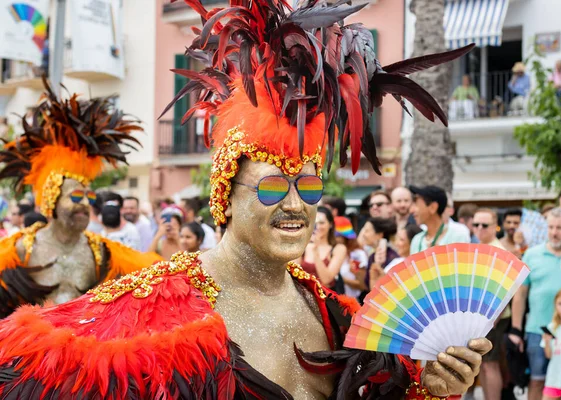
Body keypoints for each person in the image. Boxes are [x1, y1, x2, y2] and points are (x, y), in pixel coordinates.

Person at [0, 2, 489, 397]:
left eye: (310, 186)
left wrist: (431, 388)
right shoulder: (151, 305)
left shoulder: (336, 314)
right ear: (225, 197)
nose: (296, 204)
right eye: (274, 185)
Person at [0, 82, 161, 317]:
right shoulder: (21, 249)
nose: (85, 203)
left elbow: (152, 270)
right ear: (50, 200)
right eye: (76, 196)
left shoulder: (101, 252)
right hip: (31, 351)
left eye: (89, 196)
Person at [510, 207, 561, 400]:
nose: (554, 232)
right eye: (551, 227)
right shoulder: (532, 255)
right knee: (537, 381)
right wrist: (516, 329)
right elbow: (520, 295)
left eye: (560, 228)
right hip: (538, 329)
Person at [473, 208, 512, 400]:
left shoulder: (499, 252)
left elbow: (507, 290)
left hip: (493, 317)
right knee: (483, 364)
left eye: (485, 225)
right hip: (479, 316)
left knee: (490, 364)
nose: (480, 228)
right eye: (476, 224)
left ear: (495, 227)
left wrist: (493, 319)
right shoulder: (479, 248)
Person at [409, 185, 470, 255]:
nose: (411, 210)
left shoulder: (457, 235)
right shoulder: (417, 240)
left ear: (433, 207)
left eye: (416, 204)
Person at [300, 206, 347, 289]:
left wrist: (315, 251)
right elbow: (292, 272)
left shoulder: (339, 248)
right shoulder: (303, 246)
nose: (317, 227)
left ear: (330, 224)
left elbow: (327, 279)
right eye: (314, 223)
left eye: (321, 223)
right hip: (302, 296)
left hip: (325, 298)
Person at [371, 224, 423, 288]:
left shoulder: (418, 267)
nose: (396, 243)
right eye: (397, 238)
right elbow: (376, 290)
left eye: (401, 240)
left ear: (413, 242)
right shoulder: (396, 262)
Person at [360, 217, 398, 291]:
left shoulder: (393, 258)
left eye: (367, 231)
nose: (363, 234)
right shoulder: (372, 256)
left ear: (379, 235)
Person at [334, 216, 368, 300]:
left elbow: (361, 285)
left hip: (351, 304)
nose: (334, 238)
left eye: (337, 235)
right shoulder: (331, 251)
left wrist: (339, 279)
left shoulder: (357, 255)